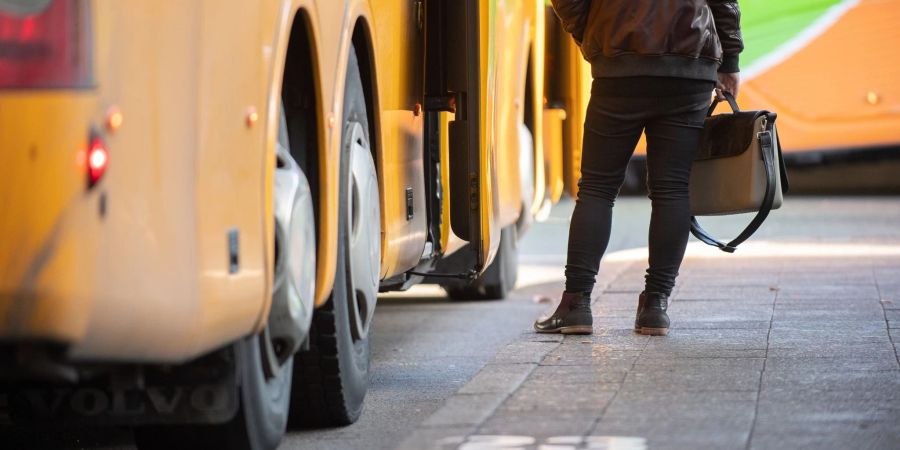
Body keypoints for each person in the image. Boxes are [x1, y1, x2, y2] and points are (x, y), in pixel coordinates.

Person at [534, 0, 744, 336]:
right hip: (689, 65)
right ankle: (655, 307)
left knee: (598, 189)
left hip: (620, 64)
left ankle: (576, 304)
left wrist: (593, 35)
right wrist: (730, 59)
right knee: (672, 188)